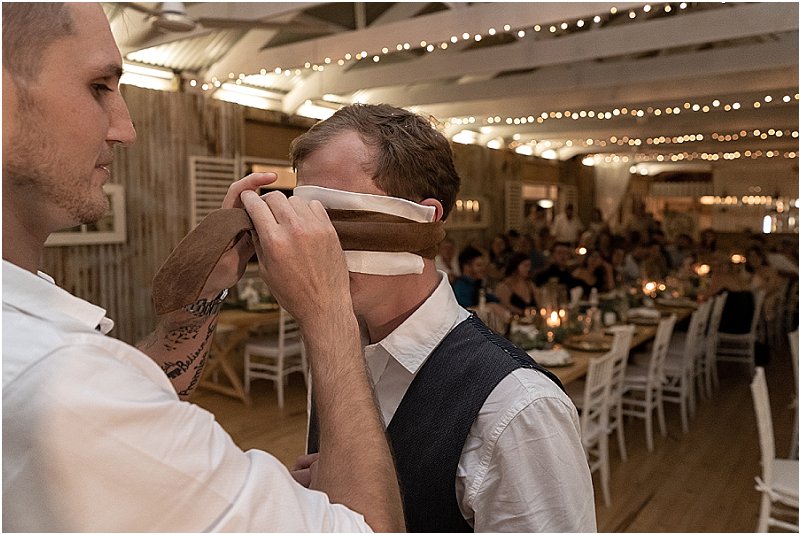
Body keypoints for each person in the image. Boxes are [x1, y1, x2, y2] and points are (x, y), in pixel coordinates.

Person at [2, 4, 404, 532]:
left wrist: (203, 295)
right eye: (99, 86)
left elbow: (133, 395)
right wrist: (329, 313)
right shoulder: (61, 381)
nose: (126, 129)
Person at [289, 103, 595, 532]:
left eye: (340, 216)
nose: (313, 246)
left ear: (423, 220)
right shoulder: (338, 355)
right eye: (304, 221)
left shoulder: (516, 410)